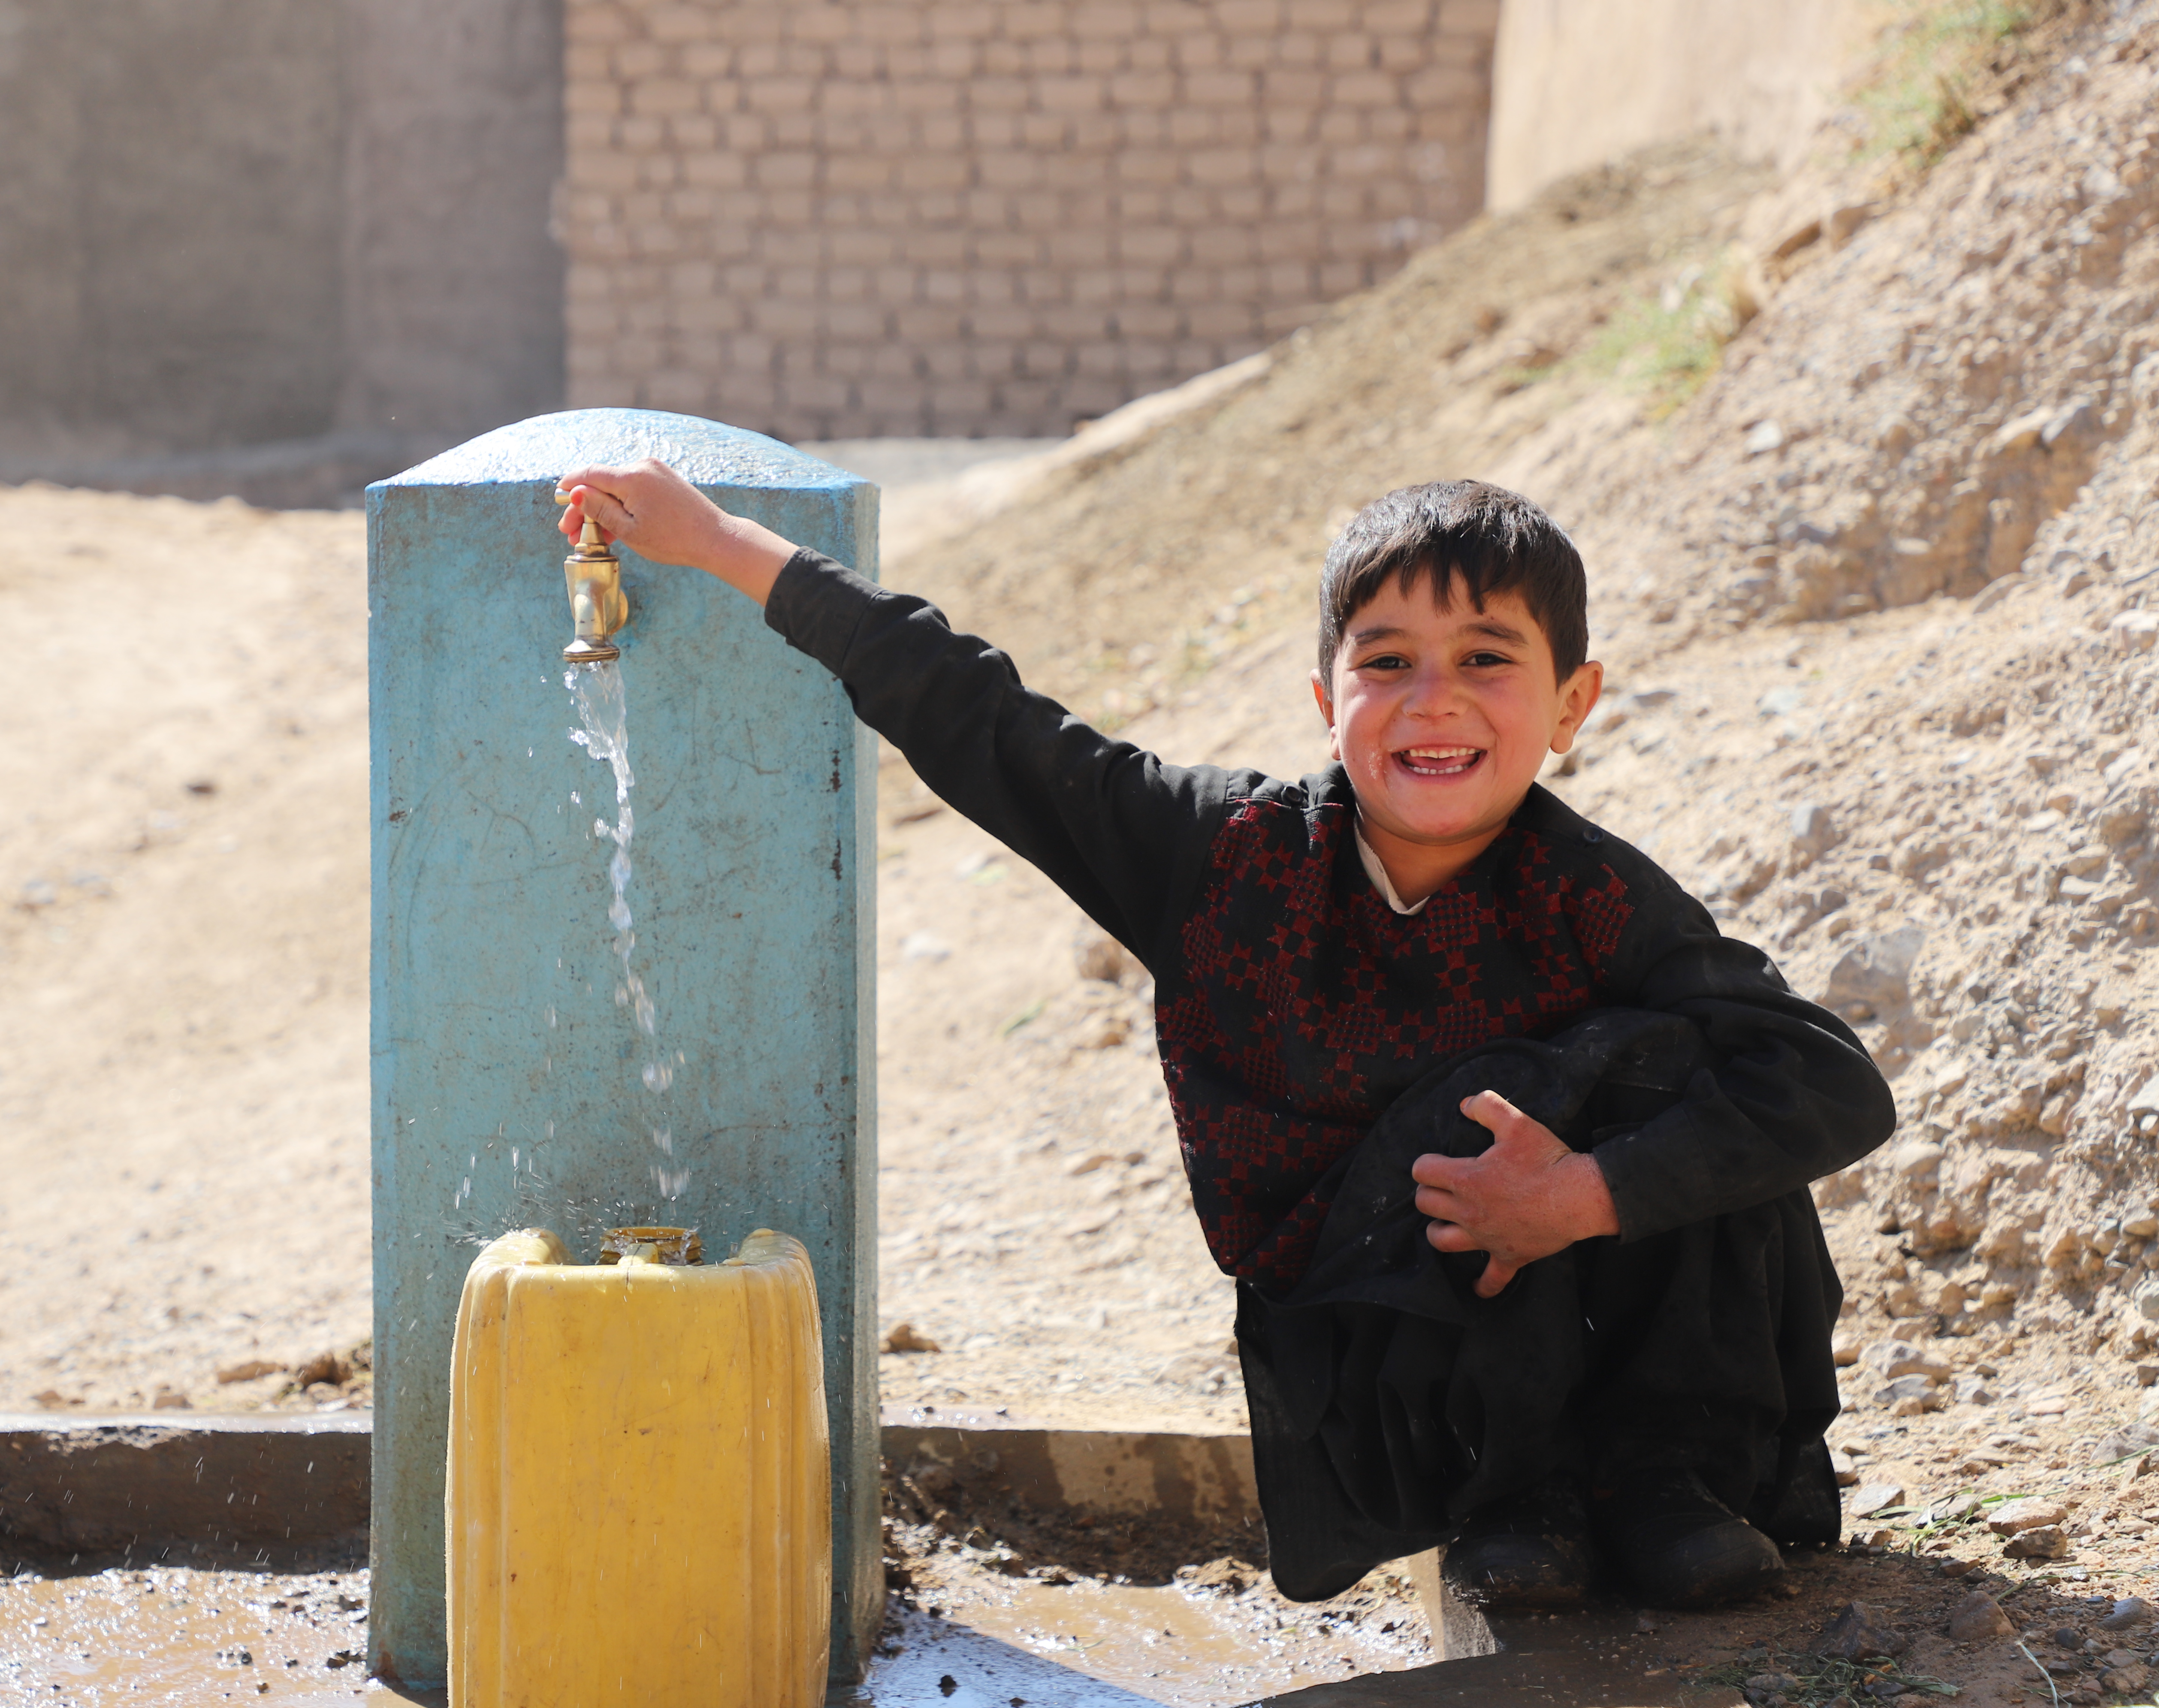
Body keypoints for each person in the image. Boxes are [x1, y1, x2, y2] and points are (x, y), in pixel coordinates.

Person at [553, 462, 1894, 1611]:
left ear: (1572, 704)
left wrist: (1580, 1196)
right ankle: (1516, 1499)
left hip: (1605, 1331)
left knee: (1685, 1072)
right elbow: (978, 716)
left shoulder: (1596, 894)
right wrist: (718, 544)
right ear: (1326, 699)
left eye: (1487, 660)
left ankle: (1664, 1480)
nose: (1435, 702)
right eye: (1387, 664)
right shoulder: (1224, 860)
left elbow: (1831, 1083)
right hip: (1382, 1372)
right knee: (1522, 1094)